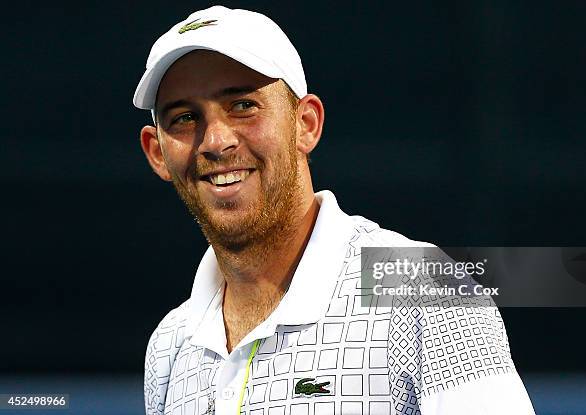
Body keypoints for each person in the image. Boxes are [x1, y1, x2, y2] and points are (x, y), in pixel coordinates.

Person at [133, 6, 536, 414]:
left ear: (305, 124)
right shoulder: (170, 344)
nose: (215, 141)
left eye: (242, 105)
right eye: (184, 117)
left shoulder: (428, 293)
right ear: (157, 152)